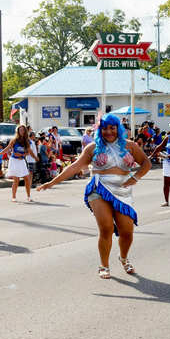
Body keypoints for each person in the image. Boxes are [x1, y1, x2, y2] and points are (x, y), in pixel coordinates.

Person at [38, 114, 151, 279]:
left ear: (118, 128)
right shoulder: (92, 148)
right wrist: (52, 183)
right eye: (105, 128)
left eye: (112, 128)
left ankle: (123, 257)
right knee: (106, 228)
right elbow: (75, 166)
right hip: (99, 188)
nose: (109, 131)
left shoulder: (130, 146)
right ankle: (104, 265)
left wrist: (135, 177)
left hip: (123, 191)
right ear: (100, 129)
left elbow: (146, 163)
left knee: (127, 232)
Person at [0, 124, 33, 203]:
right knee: (16, 179)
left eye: (23, 130)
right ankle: (13, 197)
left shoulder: (27, 141)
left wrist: (21, 155)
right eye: (20, 130)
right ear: (18, 131)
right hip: (14, 161)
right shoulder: (14, 140)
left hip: (22, 161)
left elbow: (28, 152)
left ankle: (29, 196)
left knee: (26, 178)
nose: (22, 131)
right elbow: (7, 148)